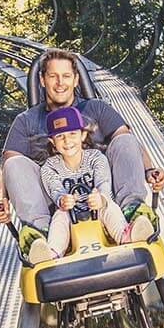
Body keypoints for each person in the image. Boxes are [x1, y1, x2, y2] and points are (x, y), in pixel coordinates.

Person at [0, 48, 164, 263]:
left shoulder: (97, 108)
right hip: (55, 203)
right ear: (42, 80)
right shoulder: (26, 121)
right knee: (14, 163)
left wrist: (149, 169)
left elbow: (129, 143)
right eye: (53, 76)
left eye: (66, 76)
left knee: (125, 138)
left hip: (103, 193)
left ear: (75, 80)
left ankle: (133, 215)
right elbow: (5, 167)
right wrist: (0, 199)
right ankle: (41, 238)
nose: (60, 83)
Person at [40, 105, 129, 255]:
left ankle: (126, 236)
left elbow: (104, 183)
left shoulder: (96, 158)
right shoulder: (49, 167)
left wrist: (100, 198)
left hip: (98, 210)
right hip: (71, 217)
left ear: (82, 135)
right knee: (60, 217)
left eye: (72, 134)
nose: (67, 141)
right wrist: (62, 200)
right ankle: (51, 252)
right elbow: (54, 188)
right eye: (60, 136)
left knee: (110, 208)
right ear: (52, 141)